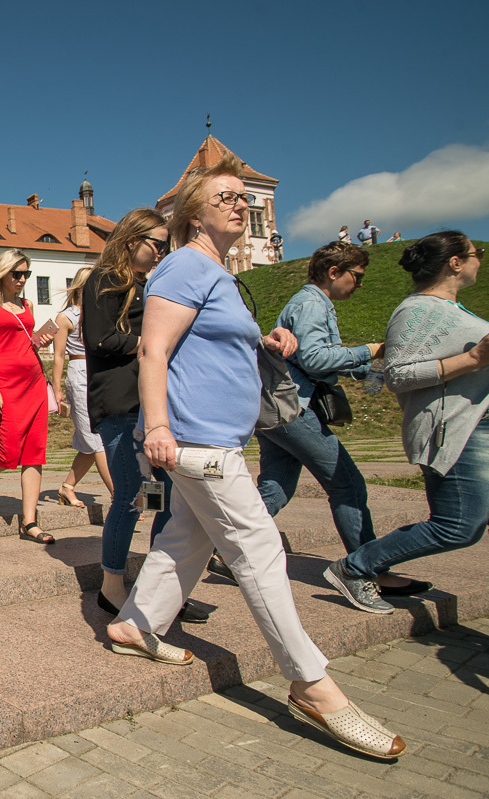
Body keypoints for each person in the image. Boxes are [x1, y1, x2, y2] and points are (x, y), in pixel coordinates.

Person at [105, 155, 406, 760]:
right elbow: (154, 352)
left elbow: (211, 343)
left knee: (185, 538)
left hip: (215, 436)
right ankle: (311, 683)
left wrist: (269, 340)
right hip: (194, 439)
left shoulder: (214, 271)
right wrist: (158, 426)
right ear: (193, 215)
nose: (242, 205)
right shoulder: (185, 267)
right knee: (259, 547)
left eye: (246, 198)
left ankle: (135, 625)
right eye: (226, 198)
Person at [325, 232, 489, 614]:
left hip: (476, 423)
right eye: (475, 253)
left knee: (467, 522)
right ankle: (355, 567)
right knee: (459, 525)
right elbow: (398, 375)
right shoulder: (417, 311)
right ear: (455, 262)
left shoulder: (454, 309)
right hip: (456, 430)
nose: (480, 259)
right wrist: (475, 359)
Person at [255, 242, 423, 595]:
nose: (359, 285)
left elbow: (308, 358)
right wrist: (372, 350)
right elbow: (316, 359)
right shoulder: (312, 304)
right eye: (356, 276)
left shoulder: (310, 303)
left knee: (275, 489)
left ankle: (215, 547)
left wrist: (367, 370)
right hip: (295, 409)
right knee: (347, 485)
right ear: (334, 272)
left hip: (277, 408)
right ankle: (368, 569)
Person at [83, 208, 209, 623]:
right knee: (131, 496)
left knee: (168, 497)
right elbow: (101, 339)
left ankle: (158, 588)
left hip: (152, 404)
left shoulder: (149, 283)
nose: (161, 251)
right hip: (119, 402)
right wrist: (151, 342)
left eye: (164, 245)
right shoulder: (105, 278)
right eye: (155, 243)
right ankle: (111, 587)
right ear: (130, 239)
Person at [0, 249, 55, 543]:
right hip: (5, 384)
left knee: (34, 452)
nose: (21, 280)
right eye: (16, 274)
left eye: (25, 274)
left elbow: (22, 341)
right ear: (3, 274)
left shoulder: (27, 303)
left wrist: (39, 340)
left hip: (35, 382)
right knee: (8, 452)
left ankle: (29, 521)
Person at [52, 267, 112, 509]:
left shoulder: (100, 313)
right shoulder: (65, 317)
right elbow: (57, 356)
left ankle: (67, 487)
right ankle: (120, 496)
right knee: (96, 440)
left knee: (91, 443)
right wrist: (57, 390)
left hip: (100, 372)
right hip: (79, 370)